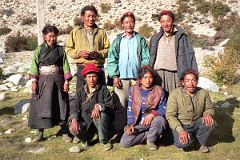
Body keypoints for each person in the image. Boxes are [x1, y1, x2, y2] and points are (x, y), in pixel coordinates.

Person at [107, 11, 150, 138]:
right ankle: (119, 131)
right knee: (121, 106)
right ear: (122, 25)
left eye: (131, 22)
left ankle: (137, 130)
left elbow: (145, 58)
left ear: (134, 23)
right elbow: (112, 58)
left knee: (137, 105)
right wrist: (114, 76)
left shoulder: (140, 39)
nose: (129, 24)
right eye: (126, 22)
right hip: (121, 79)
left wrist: (141, 77)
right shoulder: (118, 40)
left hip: (136, 80)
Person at [28, 25, 72, 142]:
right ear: (44, 37)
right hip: (43, 82)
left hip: (58, 80)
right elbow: (34, 65)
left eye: (54, 36)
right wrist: (34, 81)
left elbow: (65, 65)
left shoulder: (60, 50)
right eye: (50, 36)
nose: (52, 39)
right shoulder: (39, 49)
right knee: (42, 105)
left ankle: (64, 132)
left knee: (61, 104)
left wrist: (66, 81)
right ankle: (40, 133)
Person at [166, 69, 216, 153]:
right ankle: (189, 137)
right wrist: (180, 130)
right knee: (182, 144)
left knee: (211, 123)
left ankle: (199, 143)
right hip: (182, 124)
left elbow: (209, 108)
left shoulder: (204, 93)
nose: (191, 83)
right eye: (187, 80)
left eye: (193, 80)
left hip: (196, 122)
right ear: (183, 82)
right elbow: (170, 115)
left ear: (197, 81)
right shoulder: (175, 94)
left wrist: (207, 114)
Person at [150, 10, 198, 94]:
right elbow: (150, 57)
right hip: (159, 74)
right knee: (161, 100)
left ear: (172, 21)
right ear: (160, 23)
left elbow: (190, 56)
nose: (166, 24)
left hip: (176, 74)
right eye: (163, 21)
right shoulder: (155, 38)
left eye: (168, 21)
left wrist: (194, 75)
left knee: (177, 99)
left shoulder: (181, 37)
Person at [120, 66, 167, 150]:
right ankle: (152, 135)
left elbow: (164, 108)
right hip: (138, 124)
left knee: (160, 120)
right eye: (145, 77)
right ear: (140, 79)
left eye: (150, 77)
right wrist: (131, 124)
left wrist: (152, 115)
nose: (148, 80)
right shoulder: (133, 89)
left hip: (153, 123)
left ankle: (151, 140)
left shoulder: (159, 90)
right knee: (125, 142)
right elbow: (130, 109)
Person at [69, 64, 114, 151]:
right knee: (72, 127)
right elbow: (75, 108)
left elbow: (110, 105)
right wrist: (74, 119)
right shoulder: (80, 92)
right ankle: (85, 139)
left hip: (99, 121)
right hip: (86, 121)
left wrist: (99, 106)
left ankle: (104, 141)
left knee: (101, 116)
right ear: (85, 78)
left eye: (94, 76)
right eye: (89, 77)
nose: (92, 79)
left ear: (97, 77)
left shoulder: (103, 90)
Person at [65, 5, 110, 90]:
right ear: (82, 17)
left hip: (98, 68)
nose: (91, 19)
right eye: (88, 16)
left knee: (100, 96)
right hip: (82, 68)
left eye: (93, 16)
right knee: (82, 96)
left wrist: (99, 54)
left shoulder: (101, 32)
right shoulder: (76, 31)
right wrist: (79, 53)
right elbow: (68, 48)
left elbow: (108, 49)